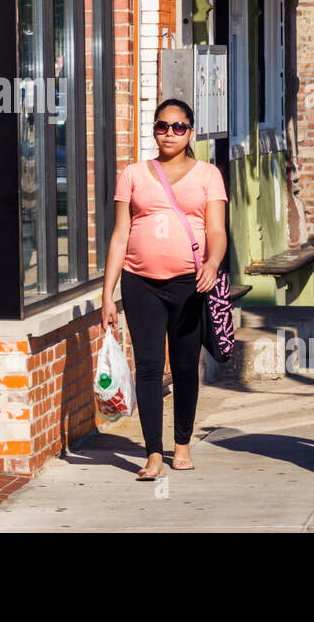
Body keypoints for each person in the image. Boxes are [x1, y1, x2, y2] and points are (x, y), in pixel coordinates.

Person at [101, 99, 227, 480]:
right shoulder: (134, 174)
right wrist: (107, 295)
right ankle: (153, 453)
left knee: (186, 364)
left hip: (189, 283)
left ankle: (182, 444)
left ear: (190, 131)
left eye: (178, 127)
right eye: (162, 126)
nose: (169, 133)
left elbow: (217, 231)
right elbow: (120, 234)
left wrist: (211, 264)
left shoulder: (208, 174)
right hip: (140, 282)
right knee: (151, 367)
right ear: (154, 130)